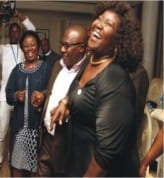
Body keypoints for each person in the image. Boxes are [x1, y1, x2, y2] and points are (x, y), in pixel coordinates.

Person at [50, 1, 143, 176]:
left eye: (108, 24)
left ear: (119, 41)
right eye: (99, 19)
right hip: (77, 164)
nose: (98, 24)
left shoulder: (114, 78)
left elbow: (107, 153)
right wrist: (65, 102)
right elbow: (81, 91)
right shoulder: (89, 63)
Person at [36, 25, 88, 176]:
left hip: (66, 142)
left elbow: (84, 98)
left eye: (67, 46)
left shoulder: (88, 70)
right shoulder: (58, 65)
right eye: (62, 44)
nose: (62, 49)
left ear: (81, 48)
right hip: (46, 136)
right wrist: (43, 96)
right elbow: (52, 91)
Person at [0, 8, 36, 172]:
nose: (16, 34)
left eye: (18, 31)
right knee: (2, 130)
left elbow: (32, 31)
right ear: (10, 33)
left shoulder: (26, 48)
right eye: (13, 31)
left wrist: (19, 15)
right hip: (4, 96)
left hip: (21, 96)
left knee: (18, 130)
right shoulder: (3, 49)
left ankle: (13, 156)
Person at [5, 30, 50, 177]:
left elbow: (51, 92)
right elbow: (8, 94)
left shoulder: (45, 68)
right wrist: (16, 95)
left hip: (36, 128)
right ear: (22, 48)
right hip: (19, 128)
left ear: (38, 47)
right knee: (17, 165)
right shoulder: (17, 70)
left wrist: (42, 96)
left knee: (34, 167)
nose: (29, 49)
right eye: (26, 46)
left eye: (33, 45)